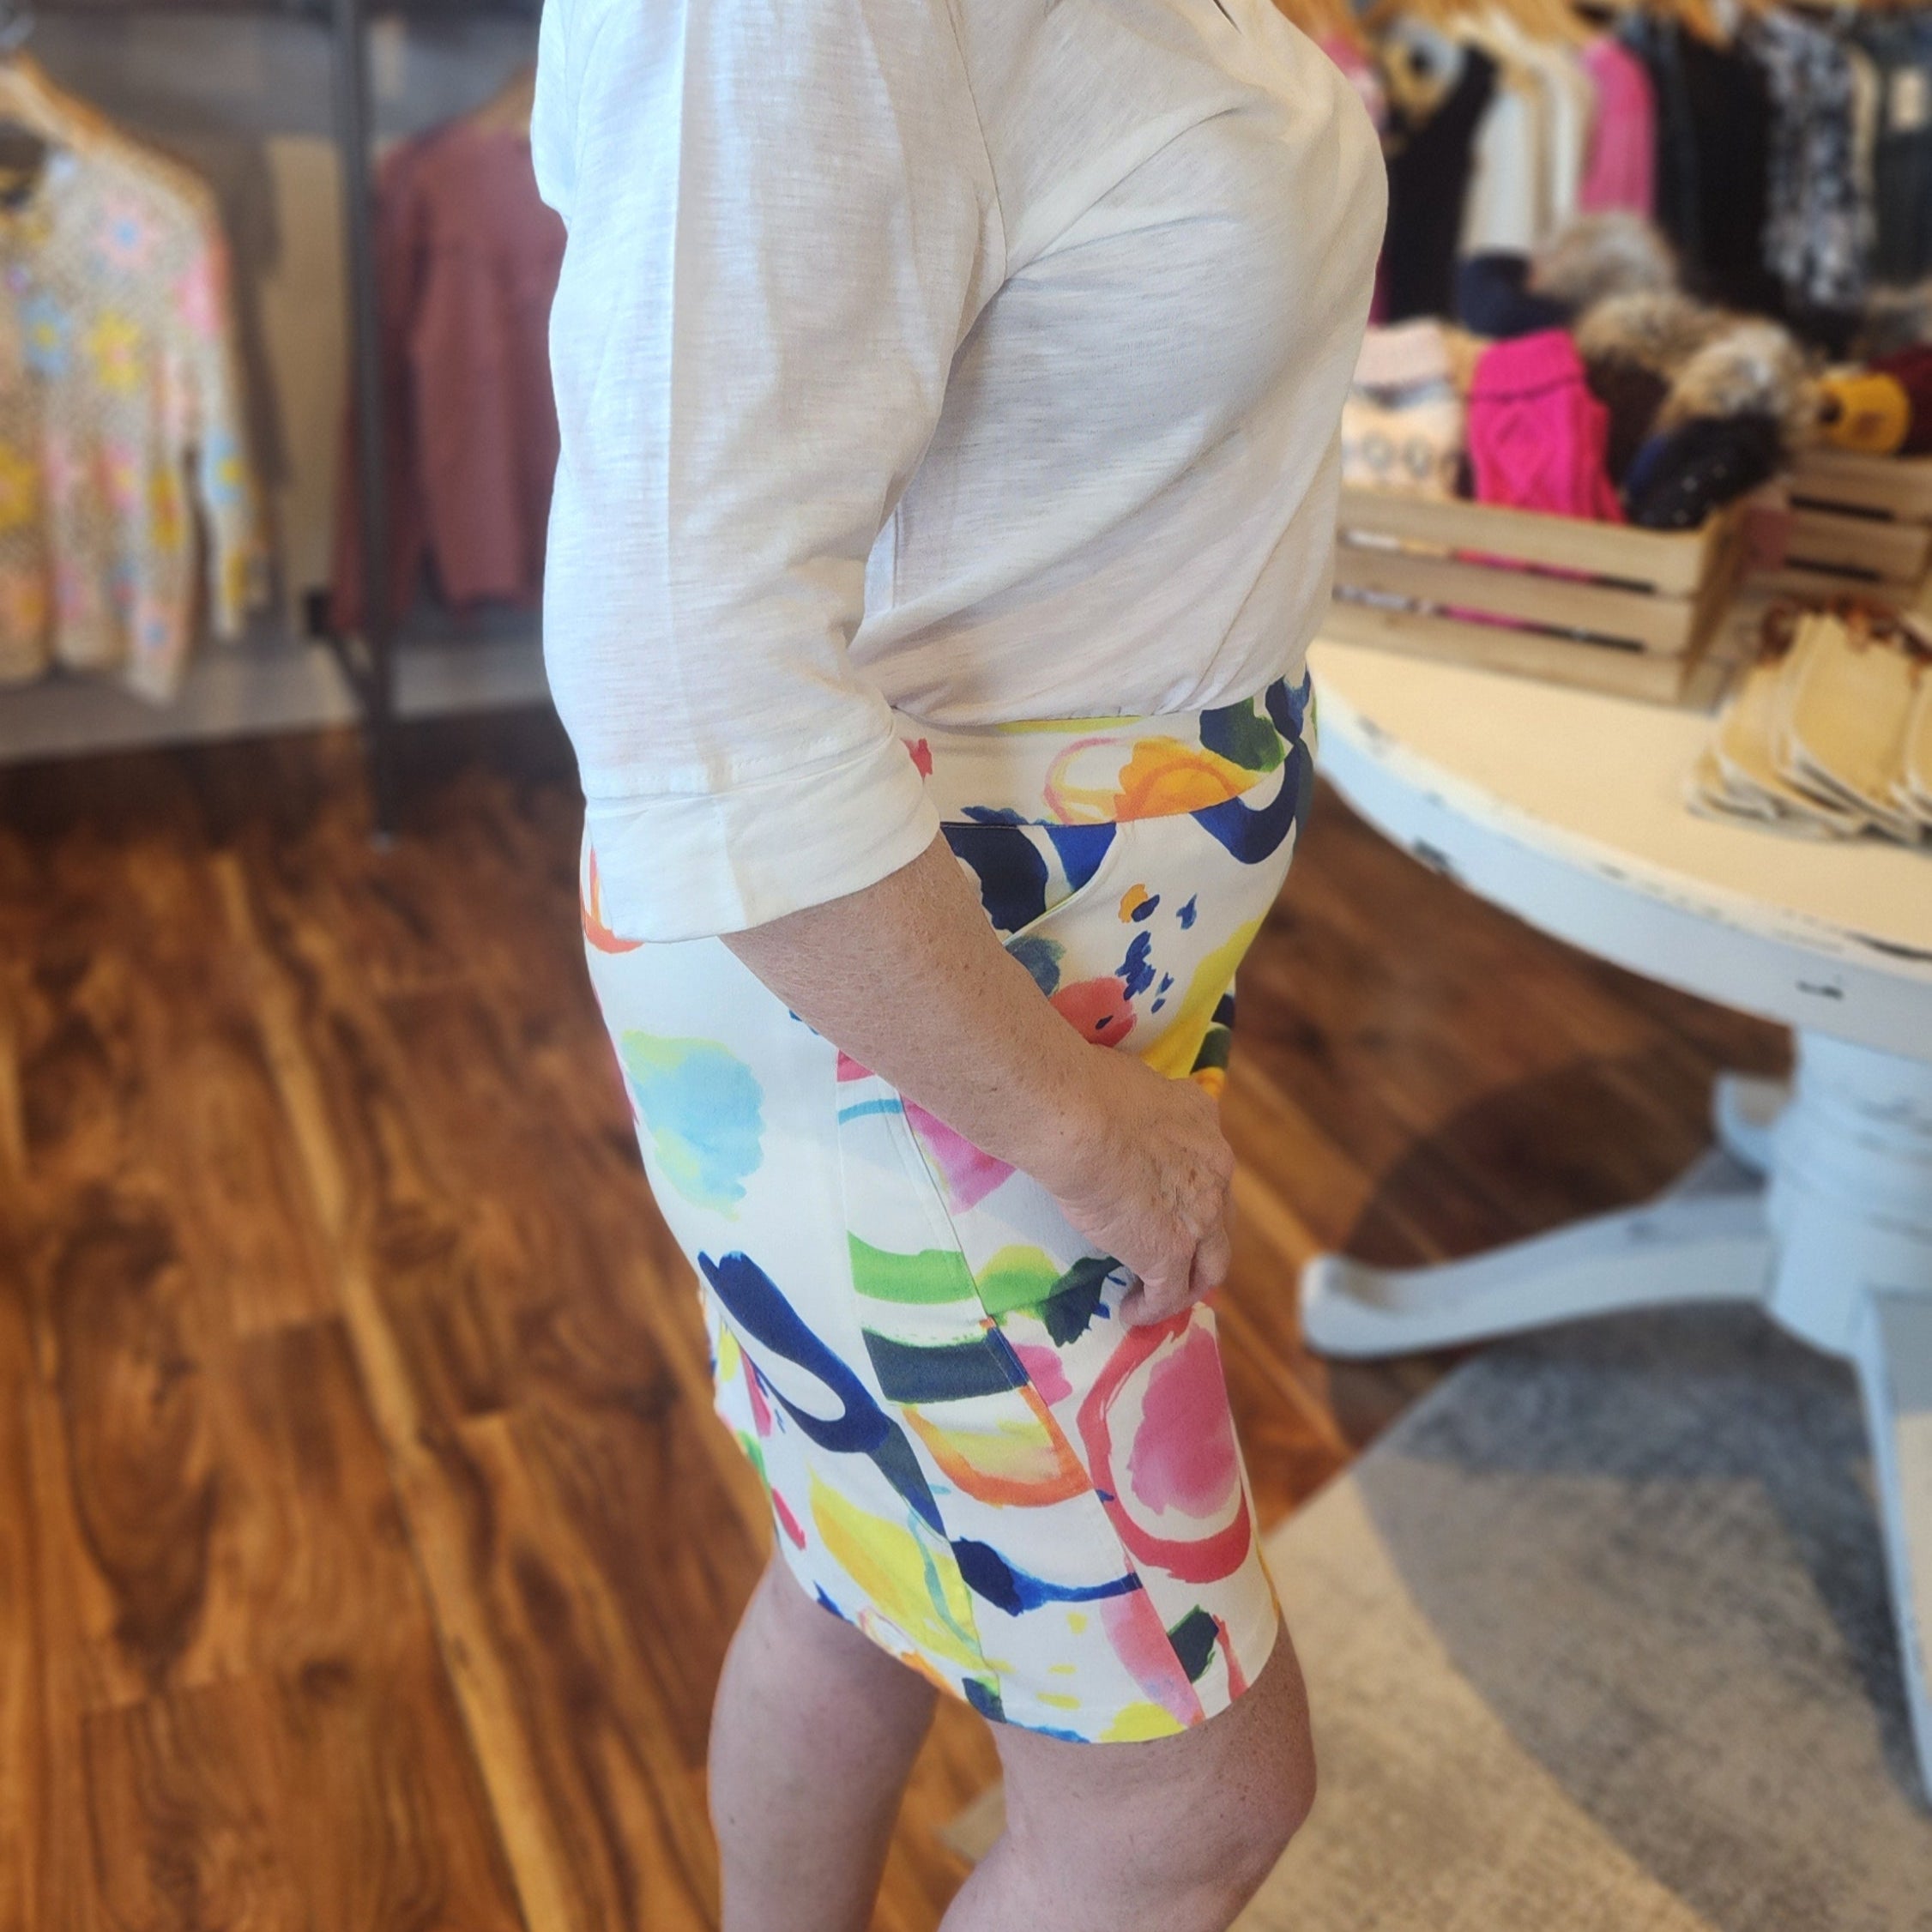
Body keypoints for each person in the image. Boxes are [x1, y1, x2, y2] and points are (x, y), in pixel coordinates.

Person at [532, 2, 1384, 1926]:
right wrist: (1071, 1119)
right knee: (1189, 1807)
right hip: (917, 1012)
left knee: (856, 1580)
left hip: (1018, 984)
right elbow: (683, 672)